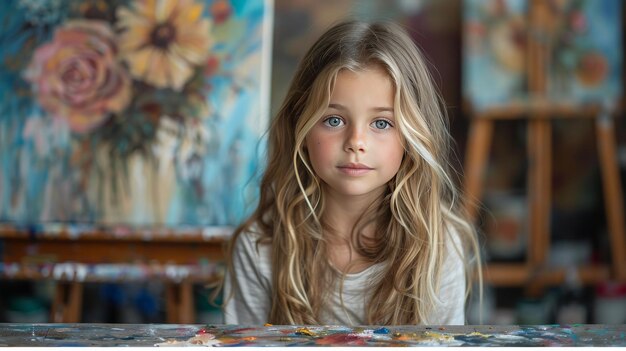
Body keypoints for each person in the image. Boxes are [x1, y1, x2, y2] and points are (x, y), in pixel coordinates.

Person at [221, 19, 482, 325]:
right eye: (334, 120)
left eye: (382, 123)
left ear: (413, 136)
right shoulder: (260, 247)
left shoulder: (438, 246)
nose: (356, 142)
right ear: (300, 126)